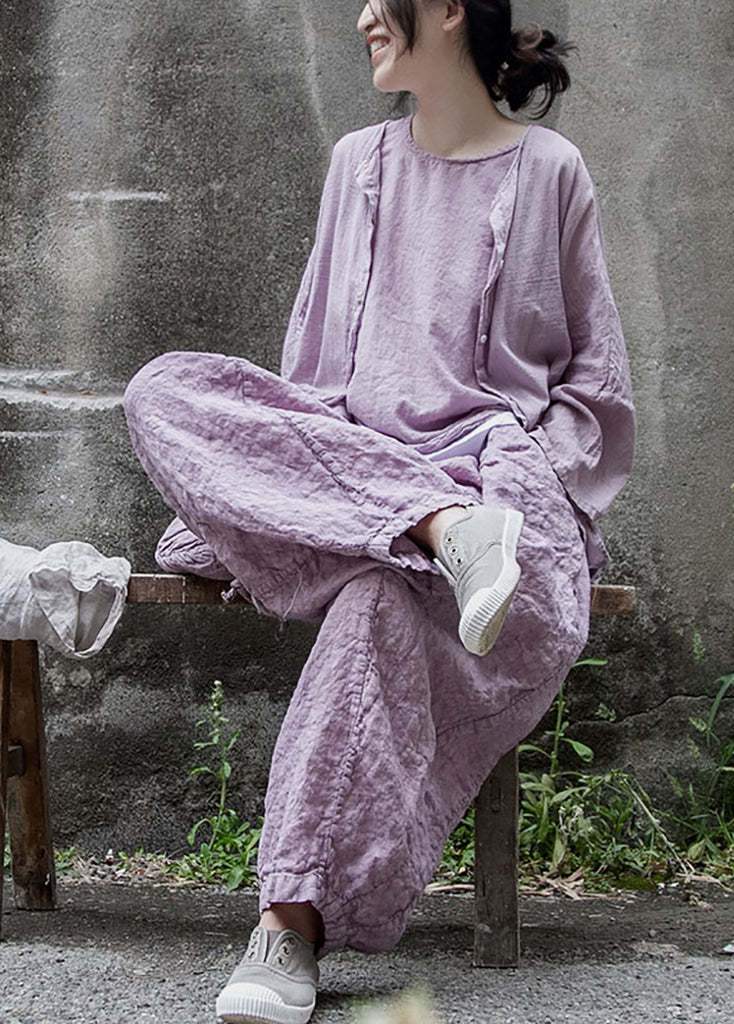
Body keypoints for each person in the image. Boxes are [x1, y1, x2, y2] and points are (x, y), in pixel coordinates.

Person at [123, 1, 635, 1021]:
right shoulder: (357, 163)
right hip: (368, 488)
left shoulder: (550, 172)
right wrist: (356, 495)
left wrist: (516, 483)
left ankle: (288, 927)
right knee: (162, 390)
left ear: (447, 9)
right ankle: (434, 531)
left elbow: (595, 393)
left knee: (375, 602)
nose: (362, 16)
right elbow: (309, 385)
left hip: (495, 490)